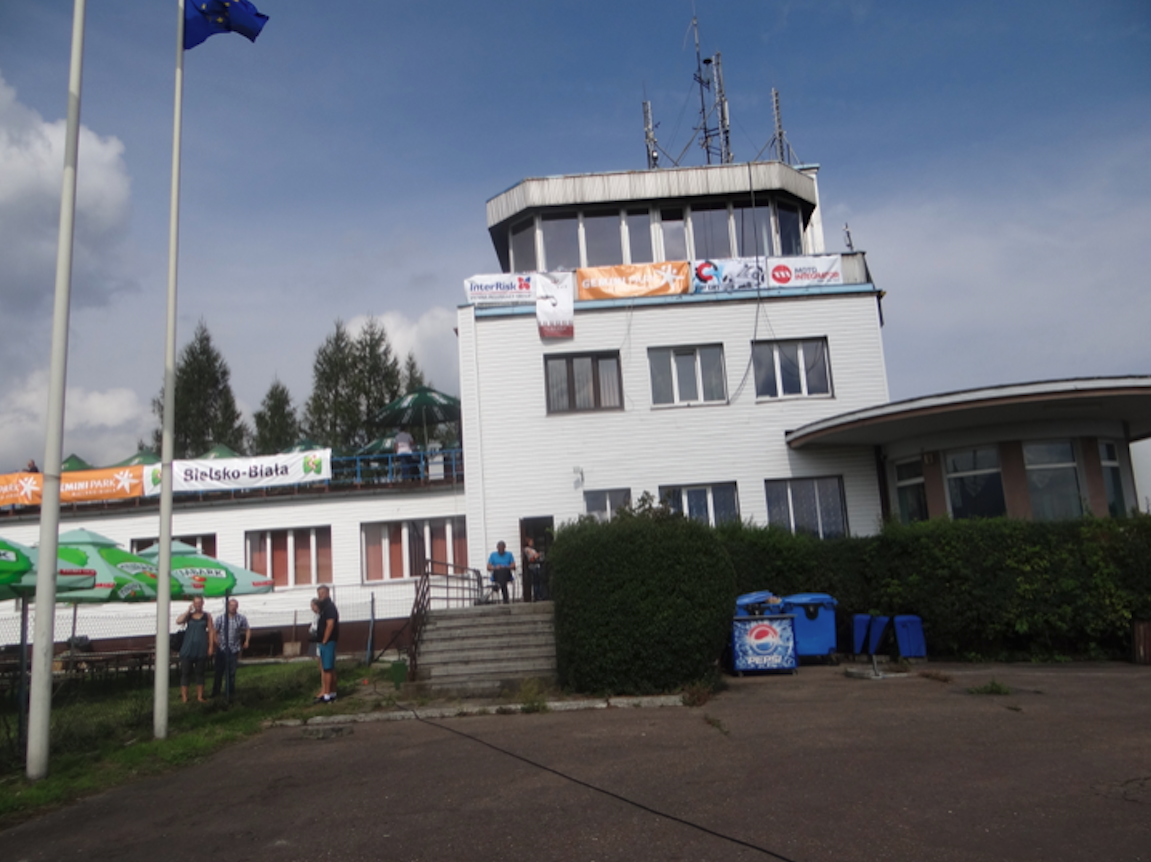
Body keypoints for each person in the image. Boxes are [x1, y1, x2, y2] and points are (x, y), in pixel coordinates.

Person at [176, 596, 215, 703]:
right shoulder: (189, 616)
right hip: (188, 647)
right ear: (193, 604)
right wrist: (188, 610)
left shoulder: (207, 616)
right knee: (185, 673)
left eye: (199, 602)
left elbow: (211, 631)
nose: (198, 605)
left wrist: (211, 646)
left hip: (201, 647)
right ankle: (184, 697)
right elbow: (178, 621)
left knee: (200, 673)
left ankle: (200, 697)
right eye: (196, 603)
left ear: (203, 603)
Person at [211, 598, 250, 699]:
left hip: (234, 648)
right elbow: (214, 631)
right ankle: (216, 692)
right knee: (219, 671)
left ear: (237, 607)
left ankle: (229, 692)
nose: (233, 608)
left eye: (235, 606)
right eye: (231, 605)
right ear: (227, 606)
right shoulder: (221, 618)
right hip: (222, 648)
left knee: (231, 672)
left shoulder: (241, 618)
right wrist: (216, 641)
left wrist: (246, 641)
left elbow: (247, 629)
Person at [315, 586, 340, 704]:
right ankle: (332, 693)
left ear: (328, 593)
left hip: (328, 642)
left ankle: (327, 695)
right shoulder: (323, 608)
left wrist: (324, 640)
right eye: (319, 593)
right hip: (324, 641)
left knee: (327, 668)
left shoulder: (330, 607)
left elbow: (330, 625)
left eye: (323, 593)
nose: (321, 595)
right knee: (327, 667)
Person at [523, 537, 544, 602]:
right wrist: (536, 555)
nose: (532, 543)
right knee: (535, 582)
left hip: (537, 566)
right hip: (532, 567)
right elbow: (533, 556)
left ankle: (540, 595)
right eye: (531, 542)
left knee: (539, 581)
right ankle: (536, 596)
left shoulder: (533, 549)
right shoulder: (526, 549)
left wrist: (537, 555)